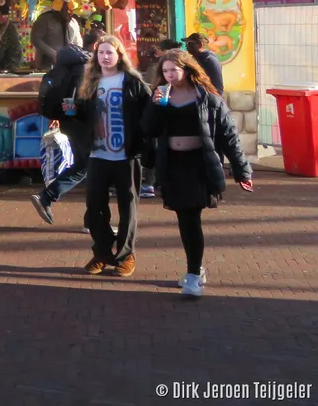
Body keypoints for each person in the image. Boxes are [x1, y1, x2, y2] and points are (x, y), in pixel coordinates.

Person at [142, 49, 253, 298]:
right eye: (166, 71)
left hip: (198, 164)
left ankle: (193, 275)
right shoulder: (161, 96)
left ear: (187, 69)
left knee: (191, 217)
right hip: (172, 164)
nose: (169, 75)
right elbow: (148, 129)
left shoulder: (207, 98)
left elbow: (229, 136)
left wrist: (242, 170)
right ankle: (196, 268)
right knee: (184, 217)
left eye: (174, 70)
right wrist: (156, 106)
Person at [61, 34, 152, 277]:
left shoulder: (132, 82)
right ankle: (102, 252)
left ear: (119, 55)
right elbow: (83, 115)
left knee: (128, 206)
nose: (105, 56)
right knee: (95, 208)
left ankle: (125, 255)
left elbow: (147, 115)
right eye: (101, 53)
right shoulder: (90, 82)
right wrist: (72, 111)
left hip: (127, 155)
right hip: (98, 154)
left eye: (110, 52)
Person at [30, 36, 94, 226]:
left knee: (83, 166)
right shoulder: (83, 70)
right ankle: (91, 221)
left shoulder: (58, 70)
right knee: (92, 168)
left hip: (68, 122)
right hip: (82, 123)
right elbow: (81, 97)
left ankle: (47, 197)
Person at [139, 39, 182, 198]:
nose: (170, 73)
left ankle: (151, 182)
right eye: (166, 71)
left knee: (155, 147)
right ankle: (154, 181)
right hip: (162, 117)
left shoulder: (159, 66)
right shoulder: (160, 69)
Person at [30, 0, 71, 70]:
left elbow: (76, 42)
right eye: (66, 8)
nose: (69, 11)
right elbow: (35, 39)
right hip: (47, 66)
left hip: (66, 66)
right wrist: (54, 54)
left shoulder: (71, 21)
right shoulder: (45, 19)